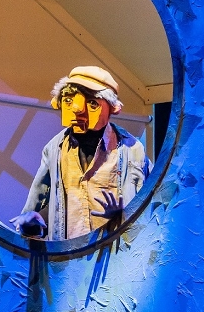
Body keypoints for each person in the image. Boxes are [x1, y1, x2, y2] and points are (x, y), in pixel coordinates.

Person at [8, 66, 150, 241]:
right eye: (68, 101)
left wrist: (123, 214)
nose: (77, 109)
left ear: (111, 108)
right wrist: (33, 221)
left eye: (92, 103)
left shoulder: (130, 149)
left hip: (113, 250)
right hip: (70, 254)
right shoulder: (55, 149)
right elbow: (46, 203)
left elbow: (147, 206)